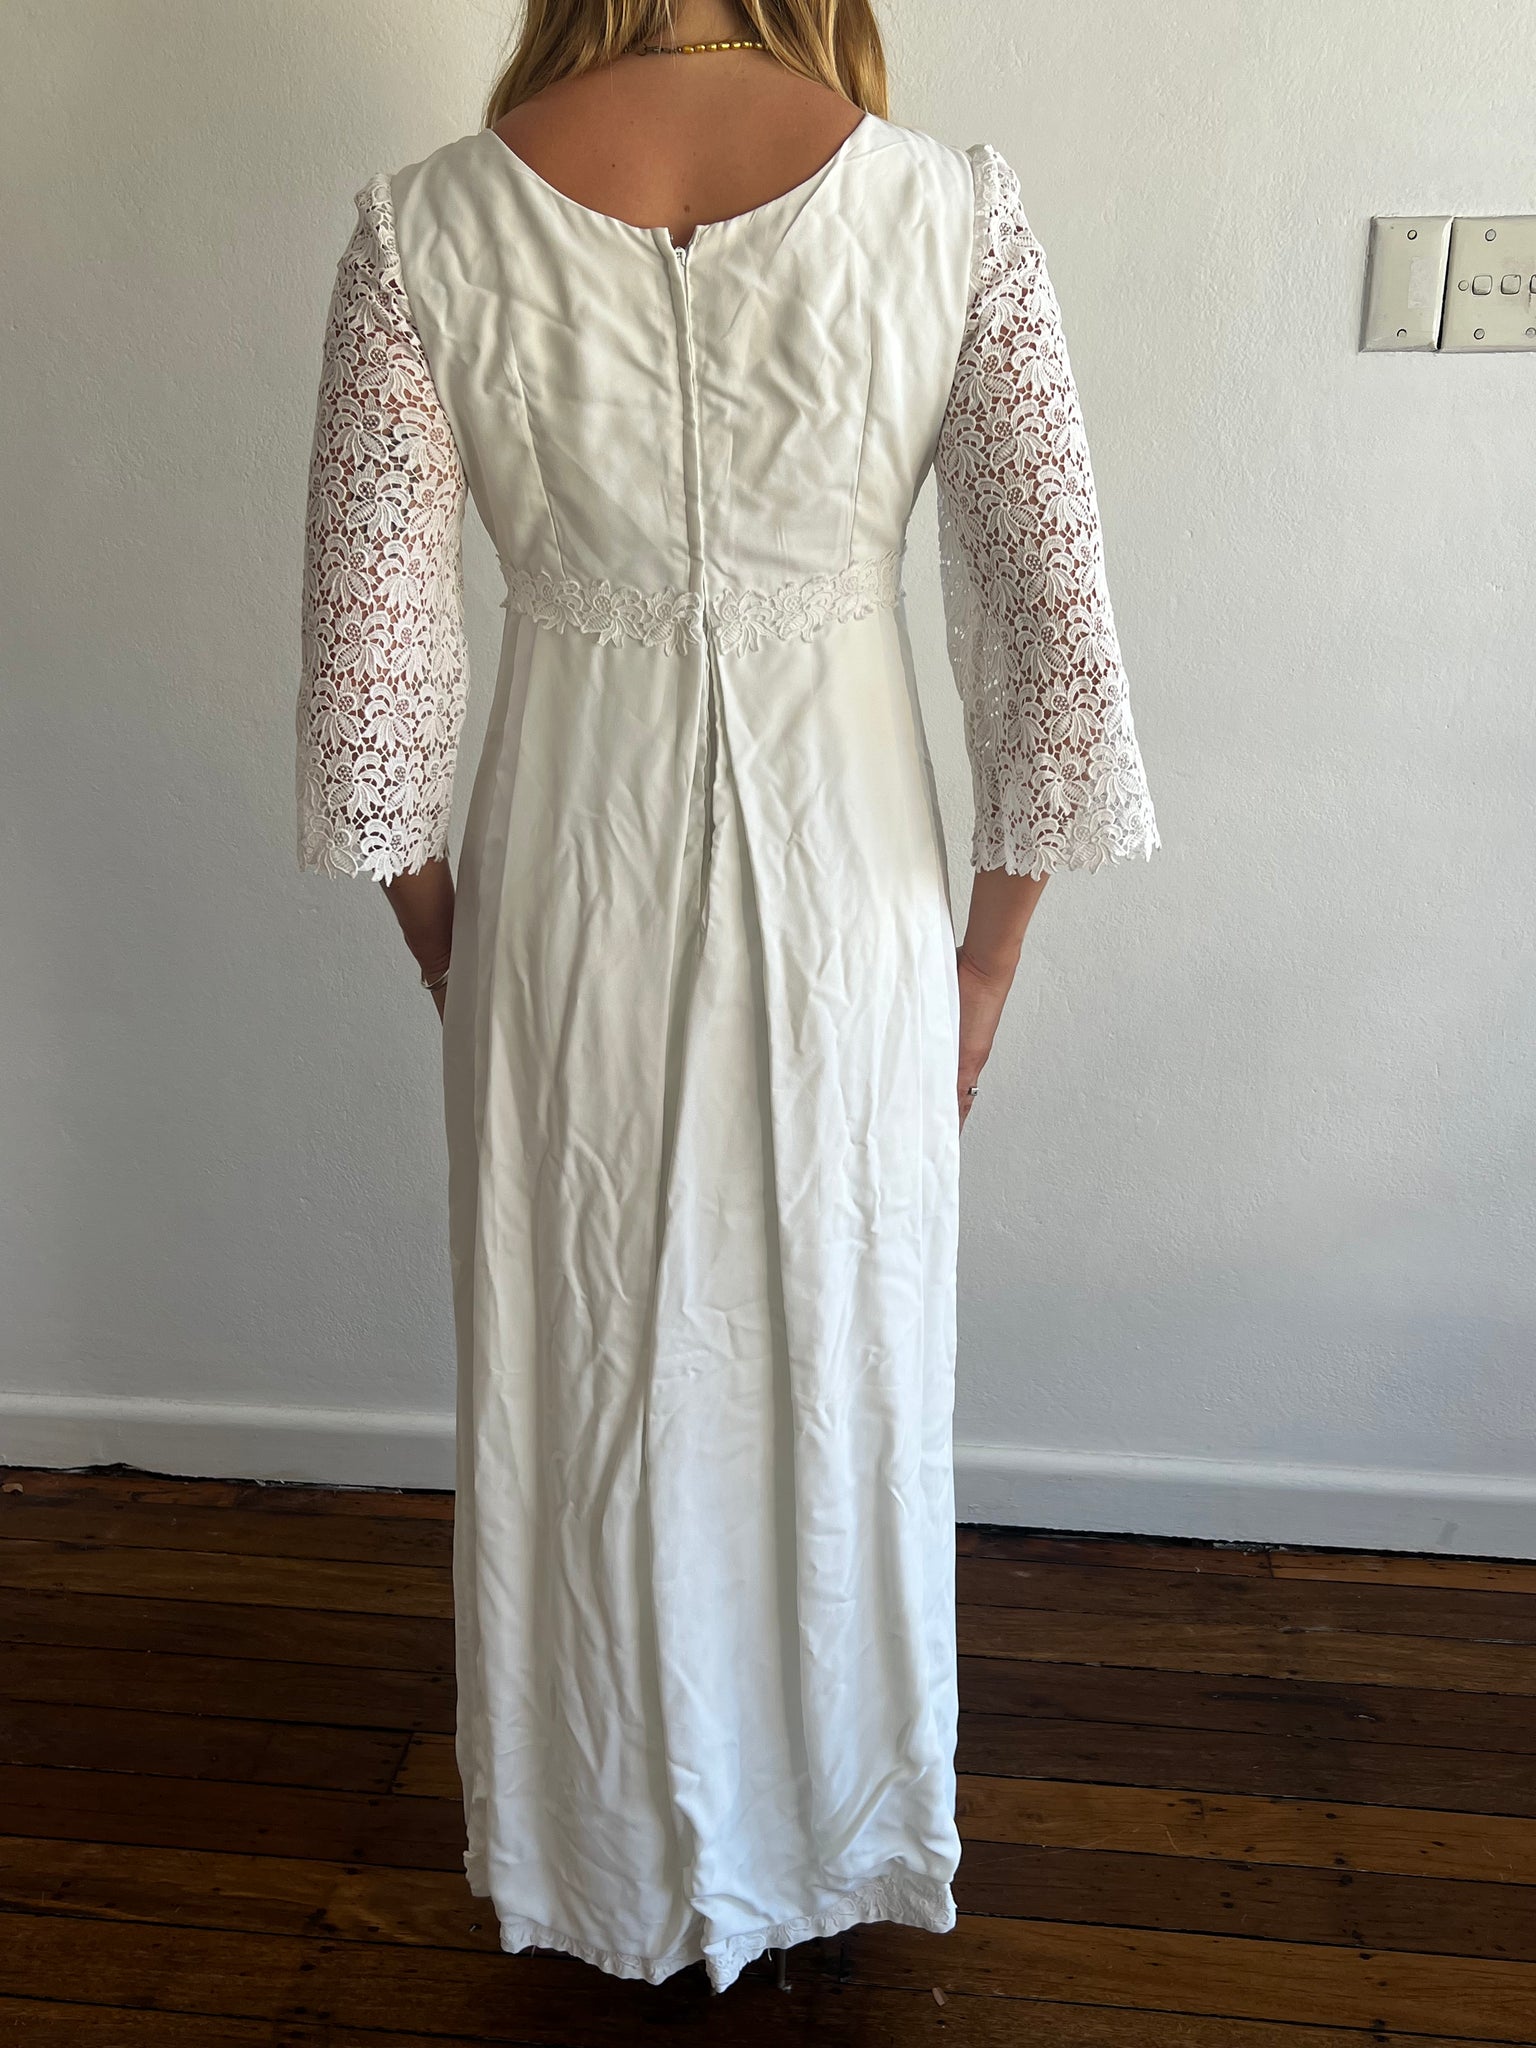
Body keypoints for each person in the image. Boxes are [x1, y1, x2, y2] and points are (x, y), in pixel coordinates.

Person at [295, 0, 1158, 1996]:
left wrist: (447, 934)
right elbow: (1058, 643)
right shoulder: (949, 212)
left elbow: (370, 692)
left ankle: (600, 1847)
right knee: (841, 1348)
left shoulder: (427, 226)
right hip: (853, 883)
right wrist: (985, 962)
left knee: (584, 1357)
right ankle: (831, 1828)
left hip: (564, 879)